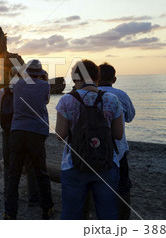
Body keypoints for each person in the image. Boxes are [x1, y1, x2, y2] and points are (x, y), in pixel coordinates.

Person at [55, 59, 123, 220]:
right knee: (108, 215)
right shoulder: (112, 99)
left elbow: (60, 135)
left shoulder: (66, 100)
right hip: (106, 163)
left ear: (76, 78)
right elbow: (118, 135)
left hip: (74, 164)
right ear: (97, 78)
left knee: (71, 214)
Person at [3, 59, 54, 220]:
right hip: (36, 132)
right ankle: (47, 208)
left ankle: (10, 212)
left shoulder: (17, 85)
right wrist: (44, 77)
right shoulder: (45, 85)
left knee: (14, 173)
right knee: (41, 172)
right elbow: (46, 100)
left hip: (17, 131)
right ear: (40, 73)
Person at [97, 62, 135, 219]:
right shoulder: (121, 95)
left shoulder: (88, 94)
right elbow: (130, 117)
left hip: (93, 149)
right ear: (115, 78)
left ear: (96, 78)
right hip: (118, 150)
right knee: (123, 187)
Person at [0, 66, 40, 206]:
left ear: (9, 76)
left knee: (9, 164)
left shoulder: (2, 91)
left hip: (8, 132)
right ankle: (33, 197)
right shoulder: (29, 91)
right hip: (25, 130)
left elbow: (0, 106)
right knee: (30, 164)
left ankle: (8, 194)